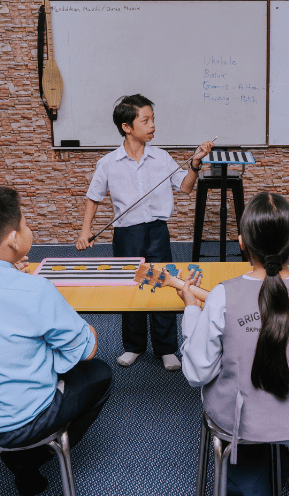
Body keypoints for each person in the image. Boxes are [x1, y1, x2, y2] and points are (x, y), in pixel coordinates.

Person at [0, 185, 112, 496]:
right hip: (19, 421)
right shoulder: (34, 290)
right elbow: (88, 348)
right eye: (25, 223)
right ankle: (29, 460)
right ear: (13, 239)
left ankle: (20, 461)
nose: (28, 228)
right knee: (100, 373)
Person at [176, 192, 289, 495]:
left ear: (242, 242)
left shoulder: (222, 295)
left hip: (237, 421)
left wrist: (192, 309)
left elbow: (197, 373)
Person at [76, 93, 214, 371]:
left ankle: (166, 348)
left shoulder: (162, 158)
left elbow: (185, 187)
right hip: (126, 234)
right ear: (127, 127)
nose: (152, 125)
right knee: (131, 286)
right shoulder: (108, 163)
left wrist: (196, 163)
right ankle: (134, 346)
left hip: (157, 232)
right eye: (146, 120)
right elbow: (93, 198)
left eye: (153, 120)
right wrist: (85, 231)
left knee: (164, 284)